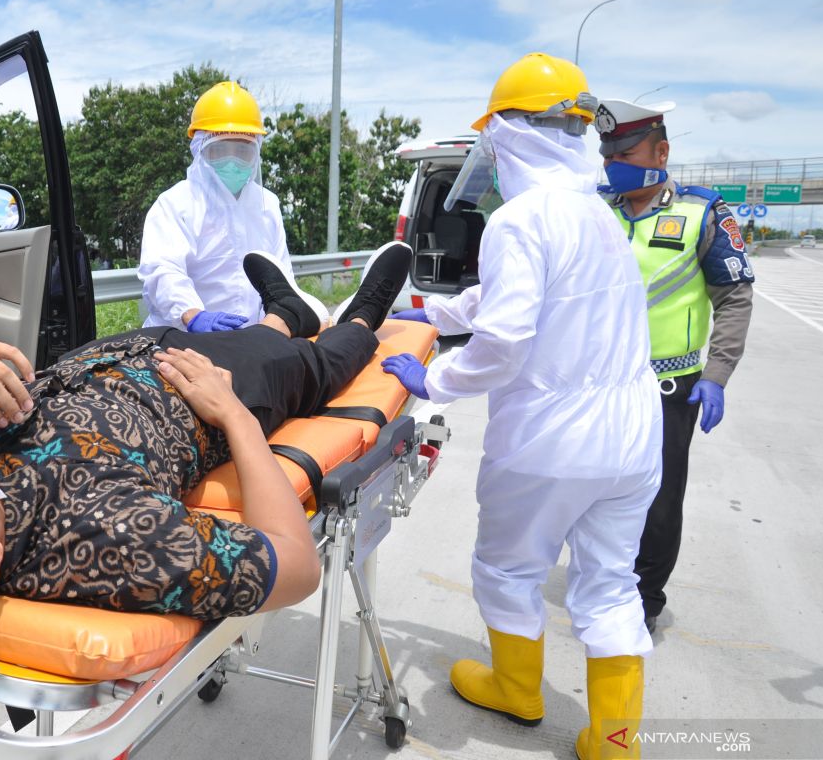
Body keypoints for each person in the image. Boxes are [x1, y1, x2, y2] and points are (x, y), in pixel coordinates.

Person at [0, 242, 414, 707]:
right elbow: (294, 567)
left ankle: (283, 311)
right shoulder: (104, 541)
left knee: (263, 333)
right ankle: (359, 316)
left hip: (103, 357)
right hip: (207, 394)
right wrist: (236, 415)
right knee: (308, 362)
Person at [383, 54, 662, 759]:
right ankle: (615, 739)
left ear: (508, 136)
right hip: (631, 442)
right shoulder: (597, 218)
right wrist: (431, 313)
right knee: (610, 584)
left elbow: (504, 340)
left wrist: (433, 381)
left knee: (509, 568)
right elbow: (511, 303)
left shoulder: (518, 221)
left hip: (551, 442)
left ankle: (517, 689)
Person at [595, 99, 755, 634]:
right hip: (598, 382)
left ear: (661, 152)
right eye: (606, 152)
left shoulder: (704, 213)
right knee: (594, 487)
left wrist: (715, 374)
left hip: (668, 386)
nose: (611, 161)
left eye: (625, 151)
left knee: (660, 501)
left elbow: (734, 297)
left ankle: (643, 600)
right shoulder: (595, 209)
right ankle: (602, 579)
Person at [138, 81, 327, 332]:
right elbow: (162, 271)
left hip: (248, 342)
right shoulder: (176, 204)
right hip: (182, 341)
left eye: (242, 150)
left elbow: (281, 278)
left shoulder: (266, 205)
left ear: (256, 152)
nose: (233, 161)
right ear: (200, 150)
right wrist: (193, 315)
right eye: (220, 150)